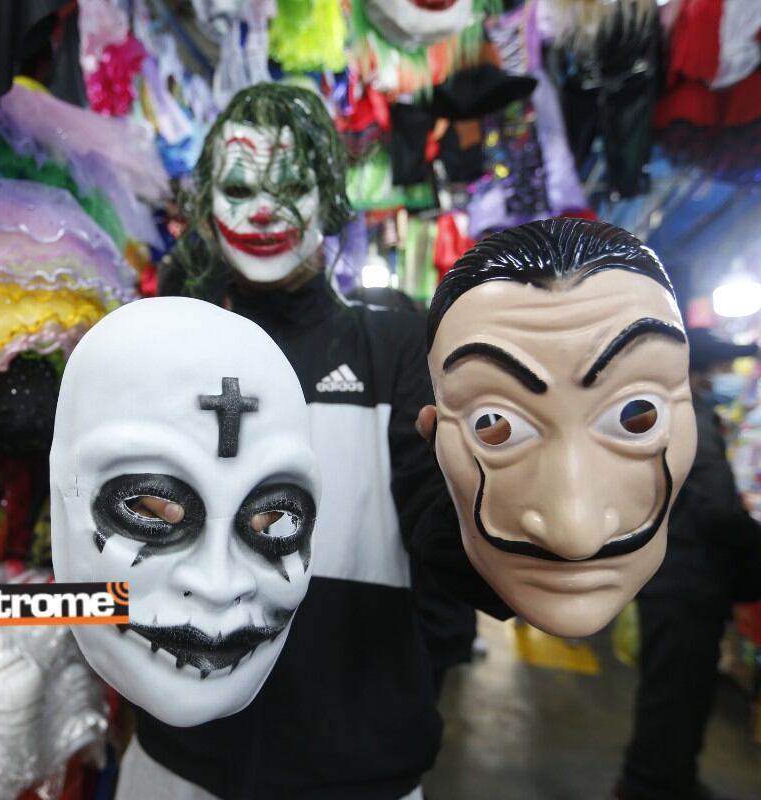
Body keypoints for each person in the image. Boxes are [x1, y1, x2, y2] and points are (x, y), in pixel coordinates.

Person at [118, 82, 505, 800]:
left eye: (291, 183)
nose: (263, 209)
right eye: (239, 186)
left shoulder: (393, 344)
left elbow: (453, 553)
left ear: (329, 194)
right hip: (178, 765)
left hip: (355, 770)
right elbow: (108, 562)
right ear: (205, 204)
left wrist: (520, 531)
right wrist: (45, 608)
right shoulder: (161, 353)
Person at [617, 330, 761, 800]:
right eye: (722, 367)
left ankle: (665, 779)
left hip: (667, 573)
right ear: (701, 370)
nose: (726, 377)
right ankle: (650, 785)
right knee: (677, 695)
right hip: (689, 582)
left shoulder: (655, 413)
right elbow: (718, 510)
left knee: (673, 692)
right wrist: (750, 544)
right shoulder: (692, 418)